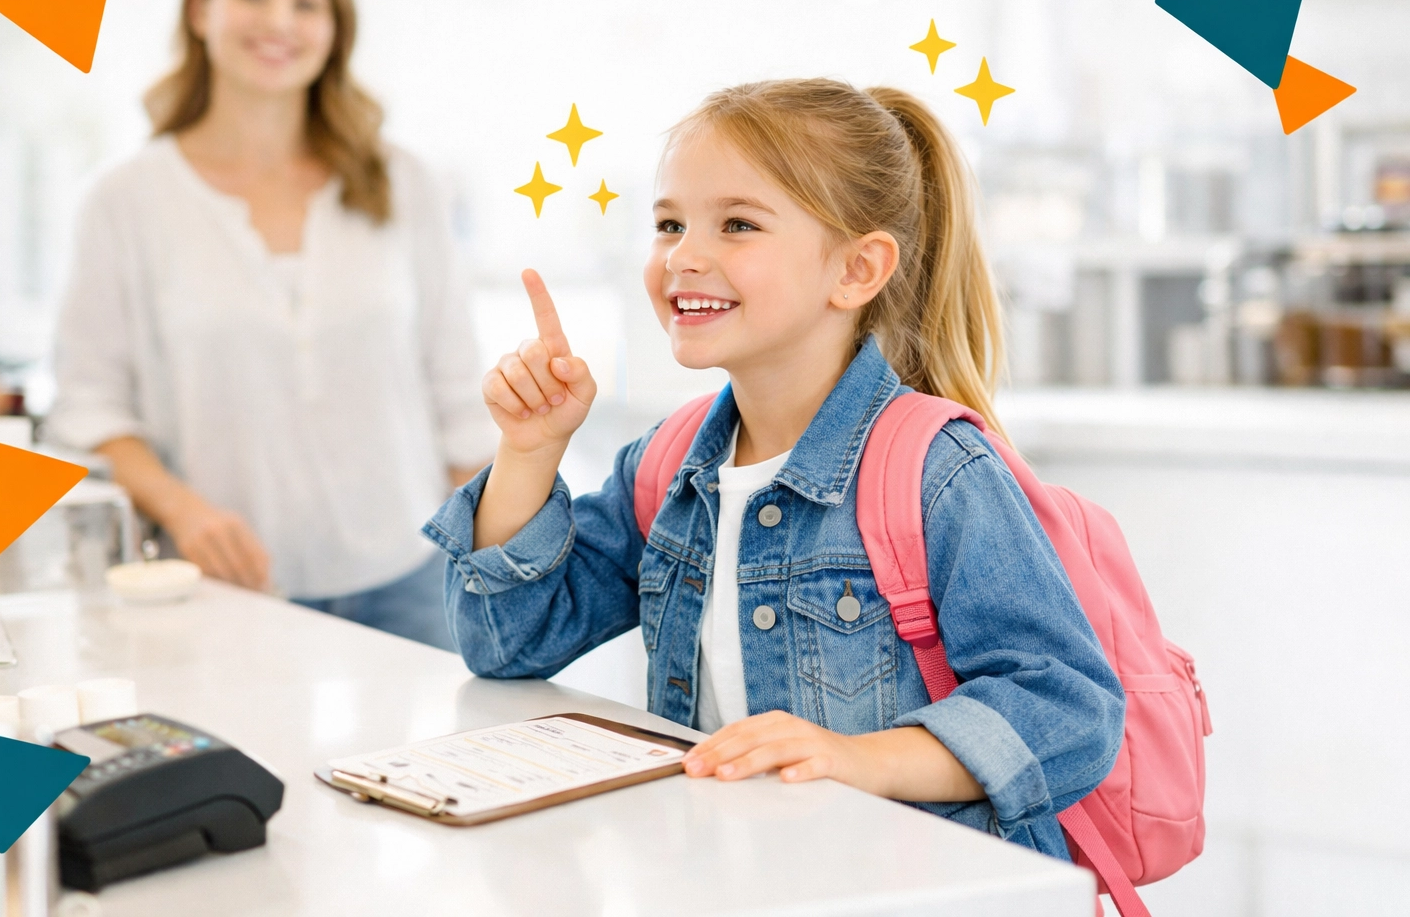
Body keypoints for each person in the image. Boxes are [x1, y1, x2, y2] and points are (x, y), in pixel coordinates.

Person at [423, 79, 1123, 856]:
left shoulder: (937, 470)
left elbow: (1070, 709)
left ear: (857, 271)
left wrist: (859, 760)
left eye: (737, 225)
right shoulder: (670, 466)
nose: (684, 255)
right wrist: (527, 452)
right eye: (669, 223)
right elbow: (508, 646)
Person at [49, 0, 491, 649]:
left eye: (307, 2)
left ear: (335, 29)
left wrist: (500, 567)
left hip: (412, 577)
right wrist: (186, 513)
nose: (279, 21)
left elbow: (457, 393)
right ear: (200, 8)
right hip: (229, 590)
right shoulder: (126, 200)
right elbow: (91, 409)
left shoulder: (401, 180)